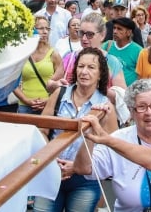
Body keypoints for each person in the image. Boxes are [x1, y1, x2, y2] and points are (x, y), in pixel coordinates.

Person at [73, 80, 151, 212]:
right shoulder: (116, 141)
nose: (149, 112)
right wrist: (89, 135)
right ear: (131, 111)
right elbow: (82, 168)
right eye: (142, 107)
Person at [35, 47, 118, 212]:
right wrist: (52, 160)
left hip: (85, 180)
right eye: (81, 66)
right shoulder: (59, 94)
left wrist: (77, 165)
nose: (84, 71)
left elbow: (111, 147)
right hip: (52, 173)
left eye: (91, 67)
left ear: (101, 74)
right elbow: (42, 131)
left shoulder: (105, 107)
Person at [60, 13, 127, 104]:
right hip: (69, 114)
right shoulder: (70, 58)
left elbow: (122, 97)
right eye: (81, 33)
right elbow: (51, 84)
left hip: (100, 114)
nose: (84, 38)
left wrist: (96, 88)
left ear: (102, 35)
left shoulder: (112, 62)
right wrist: (57, 85)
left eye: (89, 34)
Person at [14, 16, 63, 114]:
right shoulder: (23, 54)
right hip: (25, 106)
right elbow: (12, 83)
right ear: (31, 30)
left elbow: (60, 84)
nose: (45, 32)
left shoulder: (54, 54)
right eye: (41, 28)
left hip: (48, 106)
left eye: (47, 28)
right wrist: (26, 100)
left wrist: (48, 100)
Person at [104, 16, 143, 85]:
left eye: (119, 29)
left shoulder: (139, 51)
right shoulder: (107, 46)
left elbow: (142, 75)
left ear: (129, 32)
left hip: (128, 93)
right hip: (109, 92)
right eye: (114, 28)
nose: (115, 31)